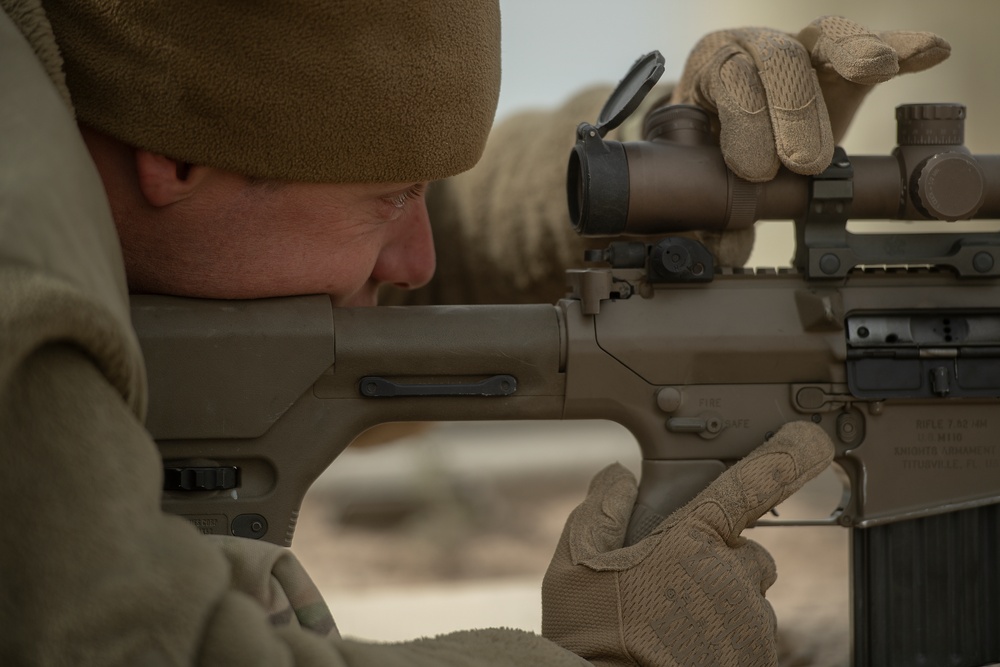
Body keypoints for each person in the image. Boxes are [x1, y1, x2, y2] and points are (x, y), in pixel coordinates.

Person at [0, 1, 948, 665]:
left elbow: (334, 221)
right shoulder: (20, 250)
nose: (414, 259)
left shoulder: (129, 104)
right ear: (173, 157)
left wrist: (669, 172)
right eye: (387, 199)